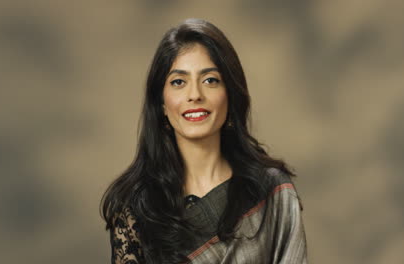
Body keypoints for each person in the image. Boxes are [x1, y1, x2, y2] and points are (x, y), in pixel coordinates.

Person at [100, 18, 308, 264]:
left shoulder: (269, 191)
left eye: (210, 80)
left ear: (230, 94)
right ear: (162, 104)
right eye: (179, 82)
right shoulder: (137, 208)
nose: (195, 95)